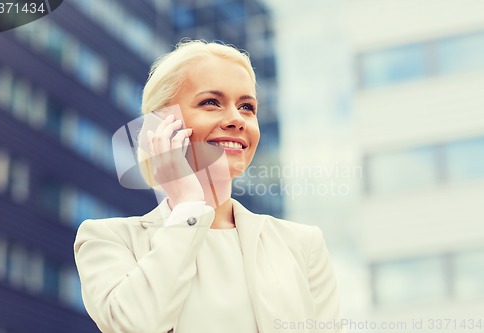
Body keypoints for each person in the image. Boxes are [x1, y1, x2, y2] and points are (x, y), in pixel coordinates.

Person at [74, 40, 342, 333]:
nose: (236, 120)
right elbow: (136, 325)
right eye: (211, 102)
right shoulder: (108, 240)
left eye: (247, 107)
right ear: (159, 127)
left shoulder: (302, 245)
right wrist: (189, 205)